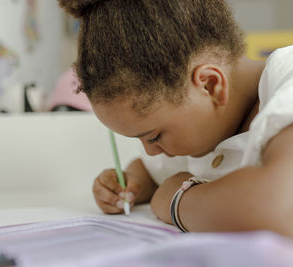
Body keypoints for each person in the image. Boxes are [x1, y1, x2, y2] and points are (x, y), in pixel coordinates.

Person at [58, 0, 293, 236]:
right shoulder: (206, 131)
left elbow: (279, 207)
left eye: (154, 136)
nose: (151, 152)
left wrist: (177, 200)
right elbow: (152, 171)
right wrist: (128, 184)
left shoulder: (287, 79)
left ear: (210, 85)